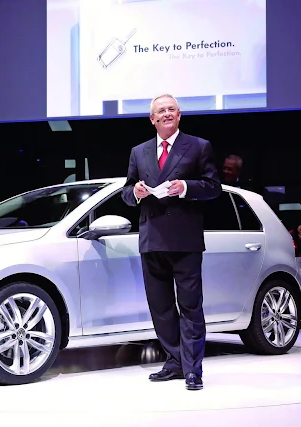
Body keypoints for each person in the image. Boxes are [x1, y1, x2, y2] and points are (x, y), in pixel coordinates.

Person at [121, 94, 221, 390]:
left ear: (179, 115)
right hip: (151, 238)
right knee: (161, 307)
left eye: (171, 109)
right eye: (160, 110)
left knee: (190, 306)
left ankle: (193, 370)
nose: (166, 113)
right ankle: (175, 361)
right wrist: (135, 192)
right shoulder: (138, 151)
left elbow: (213, 187)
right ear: (152, 119)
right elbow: (126, 191)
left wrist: (186, 187)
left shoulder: (199, 146)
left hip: (185, 239)